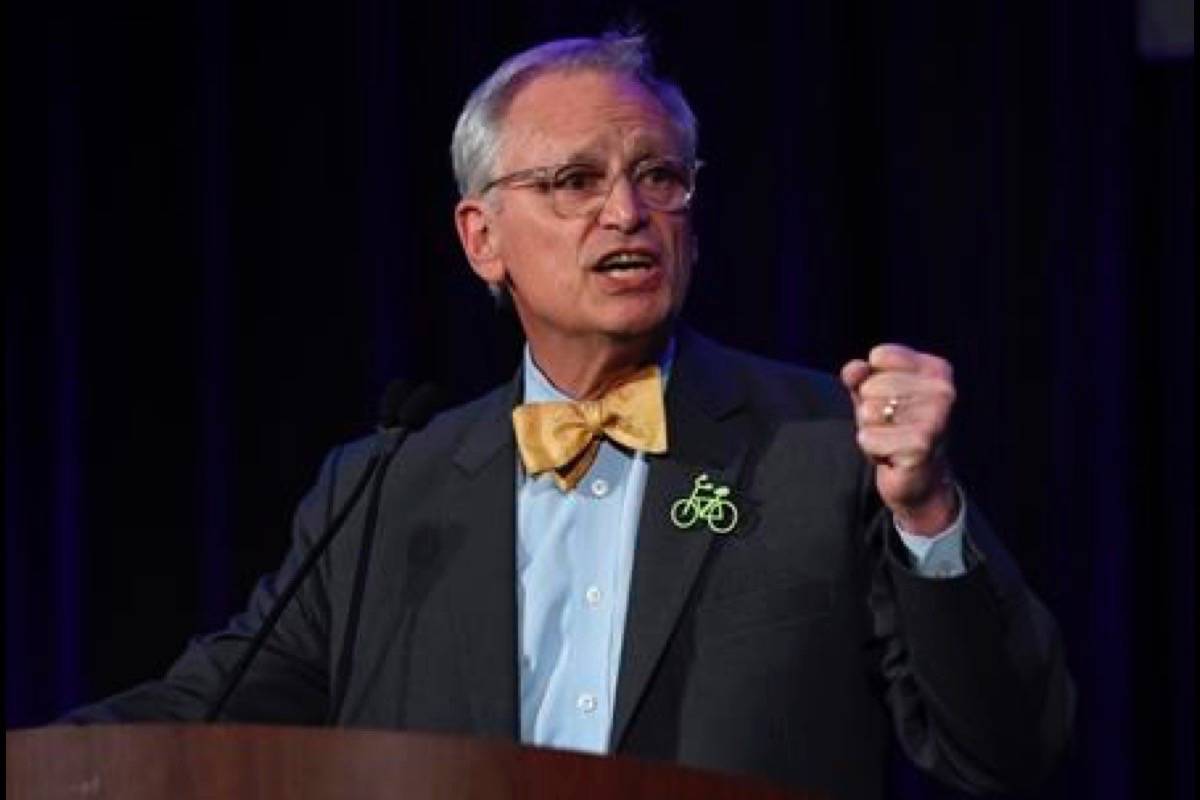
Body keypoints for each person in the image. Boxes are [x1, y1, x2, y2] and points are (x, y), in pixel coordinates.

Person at [65, 33, 1074, 800]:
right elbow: (220, 699)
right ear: (483, 238)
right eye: (575, 181)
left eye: (659, 177)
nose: (627, 213)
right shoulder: (386, 484)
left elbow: (1008, 747)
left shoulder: (822, 446)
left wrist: (929, 513)